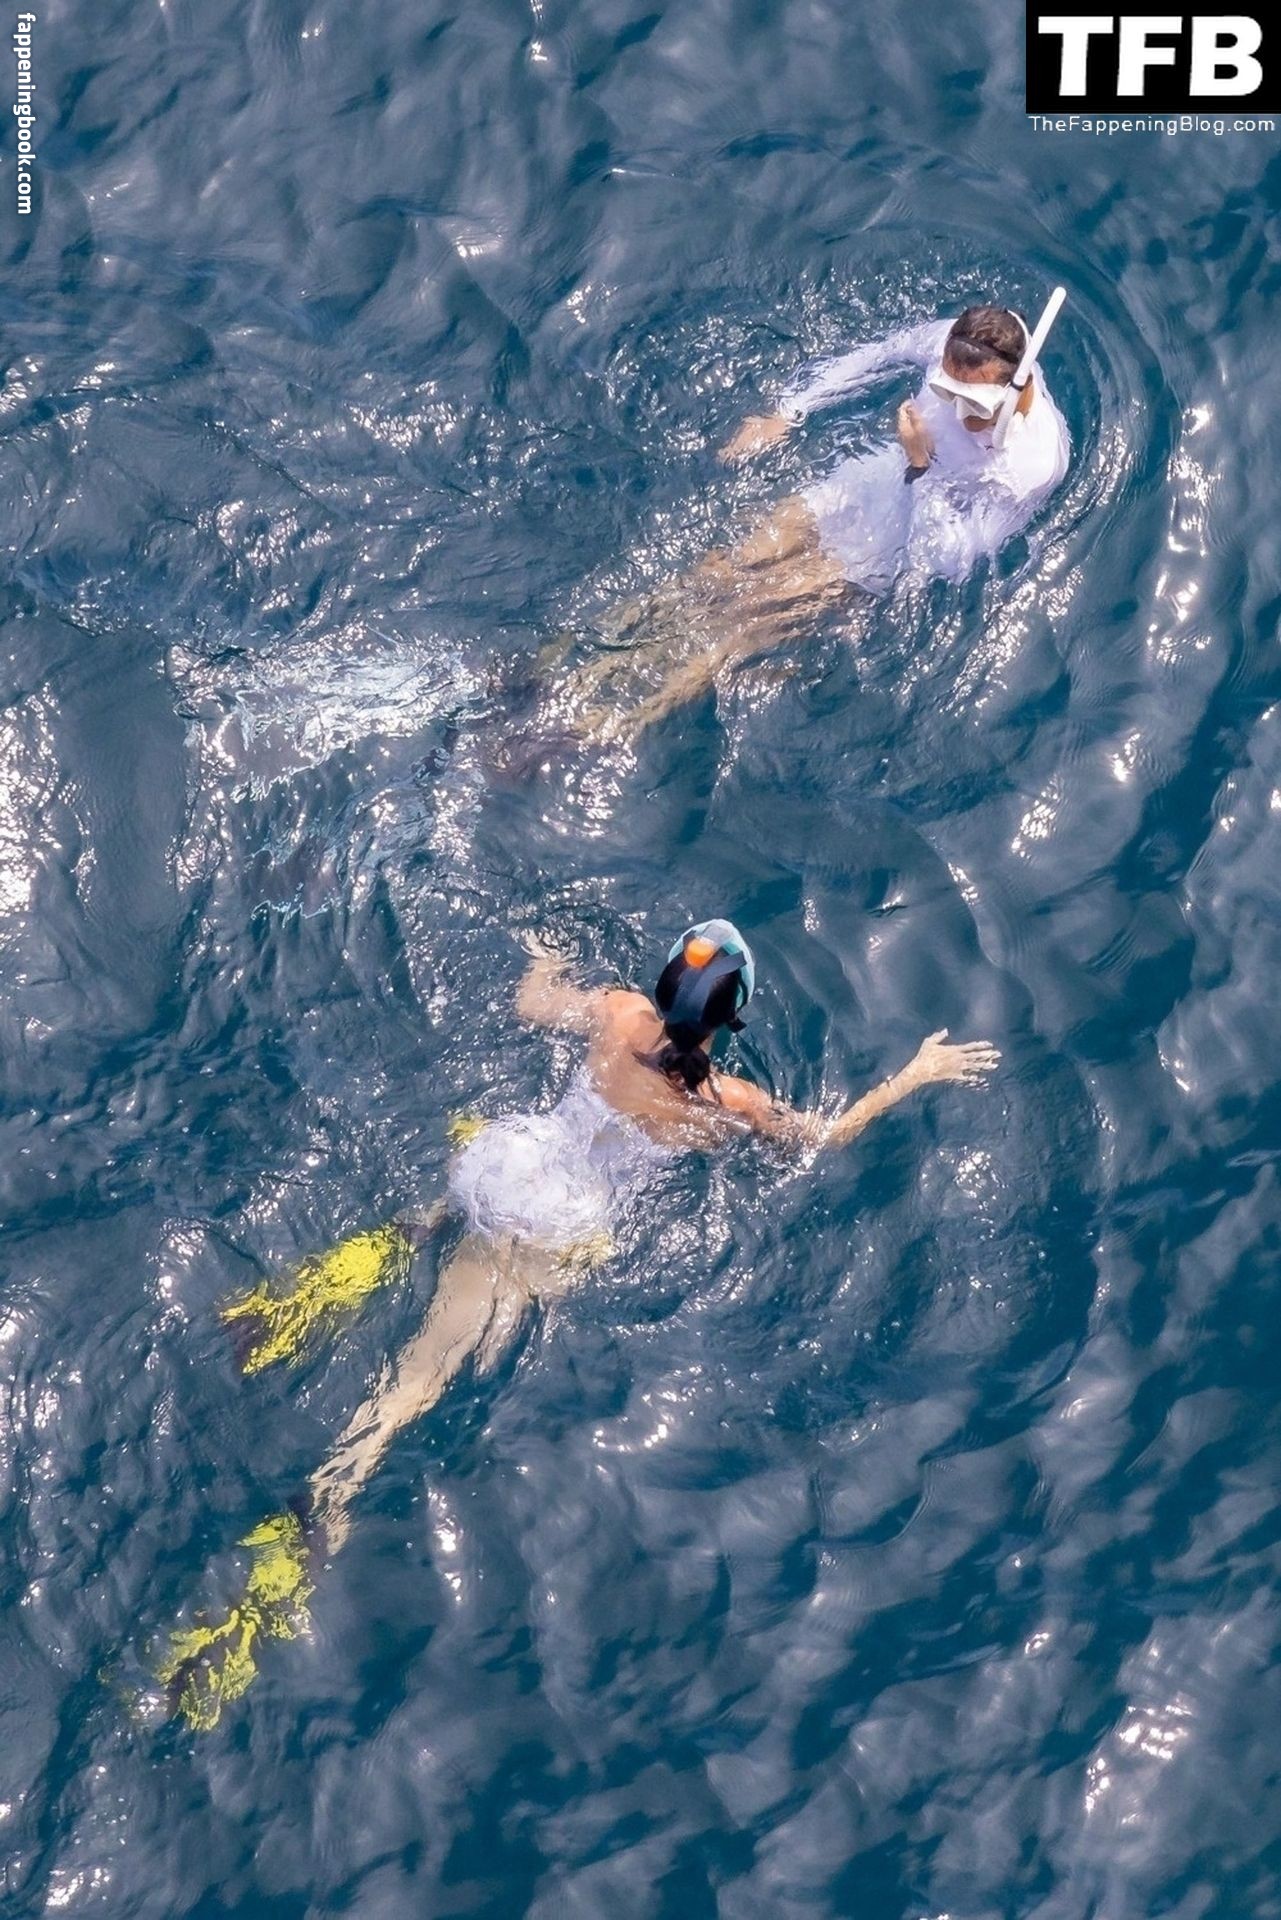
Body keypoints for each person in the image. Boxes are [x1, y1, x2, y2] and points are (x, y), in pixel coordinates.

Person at [154, 919, 999, 1729]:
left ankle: (300, 1306)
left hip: (508, 1159)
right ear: (731, 1019)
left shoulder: (619, 1012)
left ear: (662, 986)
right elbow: (825, 1139)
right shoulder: (727, 1100)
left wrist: (544, 954)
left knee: (449, 1213)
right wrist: (915, 1074)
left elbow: (531, 1003)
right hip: (554, 1223)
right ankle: (326, 1503)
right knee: (417, 1379)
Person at [527, 301, 1070, 752]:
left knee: (736, 631)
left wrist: (920, 466)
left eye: (969, 402)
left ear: (1013, 391)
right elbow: (878, 353)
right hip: (861, 486)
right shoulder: (965, 341)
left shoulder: (1030, 467)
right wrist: (790, 410)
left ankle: (581, 731)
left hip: (882, 555)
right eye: (944, 391)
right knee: (718, 571)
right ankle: (552, 666)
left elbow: (943, 561)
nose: (953, 409)